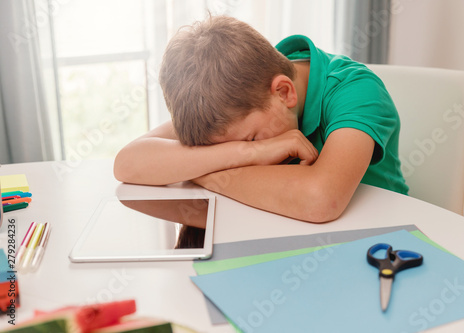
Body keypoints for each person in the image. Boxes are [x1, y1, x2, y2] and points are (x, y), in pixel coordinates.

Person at [114, 15, 409, 223]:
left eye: (252, 138)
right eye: (218, 149)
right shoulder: (236, 97)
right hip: (278, 229)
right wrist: (250, 150)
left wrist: (195, 167)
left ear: (284, 92)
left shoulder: (356, 90)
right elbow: (127, 163)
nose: (241, 154)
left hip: (376, 242)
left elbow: (321, 200)